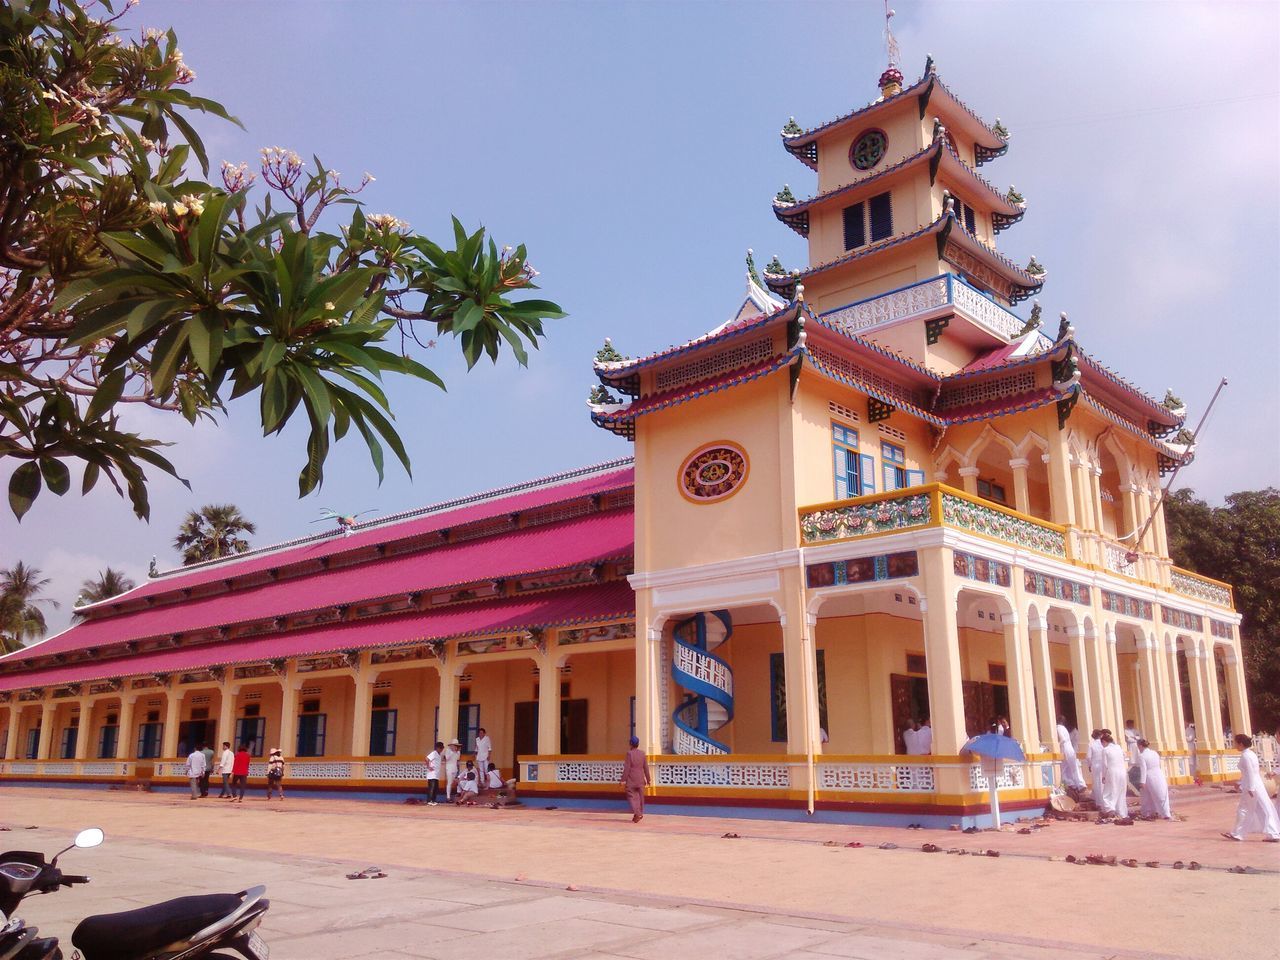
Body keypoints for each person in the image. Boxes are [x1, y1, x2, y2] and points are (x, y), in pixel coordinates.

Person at [1223, 734, 1280, 842]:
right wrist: (1242, 783)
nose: (1234, 745)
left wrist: (1249, 788)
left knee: (1244, 809)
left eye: (1235, 743)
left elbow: (1250, 773)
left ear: (1240, 744)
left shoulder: (1246, 756)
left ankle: (1237, 833)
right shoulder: (1251, 754)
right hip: (1256, 785)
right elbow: (1251, 773)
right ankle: (1273, 833)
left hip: (1251, 787)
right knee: (1264, 809)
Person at [1136, 739, 1171, 819]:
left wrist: (1142, 781)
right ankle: (1164, 812)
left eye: (1138, 746)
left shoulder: (1142, 756)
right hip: (1159, 774)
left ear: (1140, 746)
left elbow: (1143, 769)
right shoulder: (1154, 753)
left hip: (1150, 776)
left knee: (1148, 796)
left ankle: (1149, 812)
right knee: (1161, 794)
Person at [1099, 730, 1129, 818]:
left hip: (1112, 771)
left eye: (1102, 743)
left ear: (1104, 742)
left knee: (1108, 791)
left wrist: (1104, 776)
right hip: (1122, 771)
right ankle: (1122, 812)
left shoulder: (1105, 750)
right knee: (1120, 791)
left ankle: (1110, 809)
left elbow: (1104, 765)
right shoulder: (1119, 747)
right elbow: (1124, 756)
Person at [621, 735, 650, 822]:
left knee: (632, 797)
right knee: (640, 798)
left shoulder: (629, 754)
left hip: (631, 780)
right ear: (638, 744)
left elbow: (627, 768)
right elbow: (646, 767)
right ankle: (638, 814)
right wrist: (648, 779)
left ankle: (638, 814)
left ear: (631, 744)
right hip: (641, 779)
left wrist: (623, 780)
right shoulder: (642, 754)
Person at [1057, 716, 1086, 791]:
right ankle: (1079, 784)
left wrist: (1057, 745)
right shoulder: (1064, 728)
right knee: (1073, 767)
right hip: (1070, 748)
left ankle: (1068, 784)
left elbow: (1062, 739)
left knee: (1063, 768)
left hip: (1064, 748)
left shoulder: (1058, 728)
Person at [1086, 729, 1105, 808]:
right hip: (1103, 765)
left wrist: (1089, 765)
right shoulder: (1103, 744)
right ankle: (1104, 802)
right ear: (1101, 736)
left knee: (1097, 784)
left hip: (1095, 765)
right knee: (1104, 784)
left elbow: (1088, 757)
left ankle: (1099, 803)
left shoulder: (1091, 744)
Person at [425, 741, 443, 806]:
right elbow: (427, 759)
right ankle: (429, 800)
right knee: (431, 787)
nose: (441, 750)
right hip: (432, 774)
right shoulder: (434, 753)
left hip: (436, 774)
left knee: (436, 788)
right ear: (437, 748)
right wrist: (428, 767)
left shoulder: (439, 755)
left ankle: (433, 800)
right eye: (440, 748)